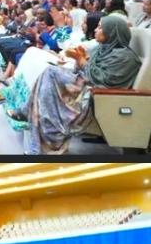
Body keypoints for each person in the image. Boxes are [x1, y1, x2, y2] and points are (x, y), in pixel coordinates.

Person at [23, 14, 142, 154]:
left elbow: (103, 80)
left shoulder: (125, 57)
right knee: (49, 75)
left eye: (100, 28)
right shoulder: (103, 49)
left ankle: (29, 117)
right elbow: (87, 70)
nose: (96, 30)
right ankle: (38, 132)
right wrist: (80, 61)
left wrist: (82, 61)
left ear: (111, 32)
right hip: (85, 86)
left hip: (95, 97)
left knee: (49, 78)